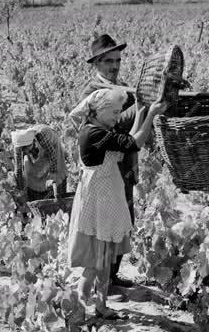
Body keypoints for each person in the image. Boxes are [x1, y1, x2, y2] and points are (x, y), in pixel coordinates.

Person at [68, 88, 165, 319]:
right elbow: (135, 143)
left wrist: (141, 113)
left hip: (106, 198)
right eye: (113, 113)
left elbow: (127, 141)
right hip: (99, 202)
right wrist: (151, 115)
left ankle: (100, 306)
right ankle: (79, 309)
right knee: (93, 265)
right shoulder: (94, 134)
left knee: (103, 262)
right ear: (99, 111)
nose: (115, 117)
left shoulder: (98, 130)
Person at [70, 33, 138, 289]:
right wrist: (143, 106)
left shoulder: (125, 90)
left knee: (123, 221)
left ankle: (111, 276)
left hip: (125, 165)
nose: (114, 65)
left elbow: (136, 124)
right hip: (103, 172)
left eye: (118, 60)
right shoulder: (92, 92)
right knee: (103, 225)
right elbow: (114, 124)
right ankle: (102, 282)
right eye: (108, 61)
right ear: (96, 63)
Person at [11, 125, 67, 202]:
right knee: (30, 173)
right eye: (22, 149)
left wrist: (52, 175)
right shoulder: (18, 144)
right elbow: (18, 168)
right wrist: (20, 189)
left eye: (26, 148)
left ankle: (55, 199)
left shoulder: (41, 136)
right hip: (38, 149)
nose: (25, 151)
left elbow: (52, 155)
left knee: (56, 176)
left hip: (52, 148)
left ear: (33, 141)